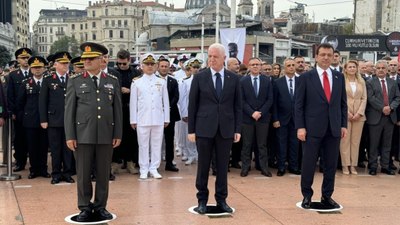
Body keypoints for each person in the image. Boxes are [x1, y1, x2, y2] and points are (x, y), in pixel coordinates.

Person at [64, 42, 122, 222]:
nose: (86, 61)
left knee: (104, 173)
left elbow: (117, 110)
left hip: (106, 133)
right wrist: (70, 136)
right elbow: (69, 111)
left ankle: (101, 206)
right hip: (83, 135)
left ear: (101, 60)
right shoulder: (75, 81)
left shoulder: (112, 81)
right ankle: (84, 207)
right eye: (84, 58)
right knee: (83, 174)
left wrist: (117, 133)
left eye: (91, 59)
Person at [188, 43, 242, 214]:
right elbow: (192, 105)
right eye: (209, 56)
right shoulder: (199, 77)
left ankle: (222, 200)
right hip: (204, 129)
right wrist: (191, 130)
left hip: (225, 130)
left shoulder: (234, 78)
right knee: (203, 166)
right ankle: (202, 200)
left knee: (222, 167)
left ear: (224, 58)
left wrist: (237, 129)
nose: (211, 59)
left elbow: (237, 106)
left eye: (215, 57)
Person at [295, 43, 347, 209]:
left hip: (333, 128)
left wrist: (343, 125)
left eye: (329, 55)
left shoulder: (339, 77)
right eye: (322, 54)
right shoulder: (305, 77)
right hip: (311, 129)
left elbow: (342, 104)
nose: (326, 57)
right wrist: (300, 127)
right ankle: (307, 195)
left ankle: (327, 196)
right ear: (316, 57)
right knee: (309, 164)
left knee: (331, 165)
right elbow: (298, 105)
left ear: (333, 57)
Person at [130, 53, 170, 180]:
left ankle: (154, 168)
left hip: (158, 118)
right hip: (142, 118)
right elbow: (133, 103)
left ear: (156, 66)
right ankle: (143, 168)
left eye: (152, 64)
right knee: (143, 145)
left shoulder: (161, 81)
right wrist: (133, 119)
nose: (149, 66)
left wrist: (166, 118)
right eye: (147, 64)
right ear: (142, 66)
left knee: (157, 144)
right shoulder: (137, 82)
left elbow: (166, 101)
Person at [39, 52, 75, 184]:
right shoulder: (48, 79)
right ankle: (56, 174)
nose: (66, 65)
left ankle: (67, 173)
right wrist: (43, 119)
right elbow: (42, 101)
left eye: (67, 63)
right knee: (55, 148)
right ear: (55, 65)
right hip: (54, 119)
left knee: (68, 148)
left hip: (69, 120)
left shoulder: (73, 78)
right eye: (63, 63)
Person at [17, 56, 50, 179]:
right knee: (32, 146)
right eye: (34, 67)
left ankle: (43, 169)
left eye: (39, 67)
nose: (37, 70)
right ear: (31, 69)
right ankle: (33, 169)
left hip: (45, 120)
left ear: (44, 68)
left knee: (43, 146)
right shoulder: (26, 83)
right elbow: (20, 103)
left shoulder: (48, 83)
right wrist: (23, 118)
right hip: (30, 121)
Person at [240, 57, 273, 177]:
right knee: (247, 144)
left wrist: (260, 112)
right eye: (252, 64)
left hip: (263, 118)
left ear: (260, 67)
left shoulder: (267, 81)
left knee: (262, 144)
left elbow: (270, 99)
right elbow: (241, 100)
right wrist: (252, 112)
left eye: (257, 64)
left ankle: (264, 167)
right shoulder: (243, 81)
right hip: (247, 118)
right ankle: (245, 167)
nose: (255, 66)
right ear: (249, 66)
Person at [365, 60, 400, 176]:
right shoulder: (370, 82)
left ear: (387, 70)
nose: (380, 70)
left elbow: (397, 98)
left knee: (387, 144)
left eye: (383, 68)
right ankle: (373, 166)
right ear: (375, 69)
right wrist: (383, 108)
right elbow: (371, 98)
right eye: (378, 68)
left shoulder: (393, 83)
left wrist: (390, 108)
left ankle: (385, 166)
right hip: (375, 117)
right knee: (374, 144)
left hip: (390, 118)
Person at [112, 49, 140, 175]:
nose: (121, 66)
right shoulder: (113, 73)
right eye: (119, 63)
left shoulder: (136, 73)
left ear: (129, 60)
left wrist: (130, 91)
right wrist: (119, 90)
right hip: (117, 109)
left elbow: (141, 91)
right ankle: (116, 163)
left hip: (131, 108)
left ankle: (130, 162)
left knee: (131, 137)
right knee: (117, 135)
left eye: (124, 63)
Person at [272, 58, 301, 176]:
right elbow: (274, 103)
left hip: (297, 119)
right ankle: (281, 167)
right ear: (284, 68)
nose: (291, 67)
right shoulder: (277, 82)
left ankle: (293, 166)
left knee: (295, 144)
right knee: (281, 143)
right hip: (282, 119)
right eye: (288, 65)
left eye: (293, 65)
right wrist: (275, 119)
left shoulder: (301, 81)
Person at [339, 60, 367, 175]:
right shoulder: (341, 81)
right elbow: (340, 98)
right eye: (349, 67)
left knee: (356, 142)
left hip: (359, 117)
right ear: (345, 69)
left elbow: (364, 98)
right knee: (345, 141)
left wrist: (359, 113)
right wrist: (348, 113)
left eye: (354, 67)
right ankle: (345, 165)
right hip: (346, 115)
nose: (351, 69)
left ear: (357, 69)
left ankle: (353, 165)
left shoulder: (361, 82)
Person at [8, 48, 32, 172]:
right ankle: (20, 162)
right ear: (18, 60)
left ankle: (35, 163)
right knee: (19, 139)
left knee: (33, 139)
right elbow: (10, 95)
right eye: (23, 58)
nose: (26, 60)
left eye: (27, 57)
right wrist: (12, 112)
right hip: (19, 113)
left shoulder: (35, 73)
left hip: (33, 112)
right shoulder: (13, 75)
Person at [157, 54, 180, 171]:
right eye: (162, 66)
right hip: (156, 114)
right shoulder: (154, 80)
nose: (164, 68)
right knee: (156, 139)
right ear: (158, 67)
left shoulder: (173, 81)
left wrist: (167, 107)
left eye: (166, 66)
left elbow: (176, 96)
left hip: (170, 114)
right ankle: (155, 163)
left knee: (170, 139)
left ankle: (169, 162)